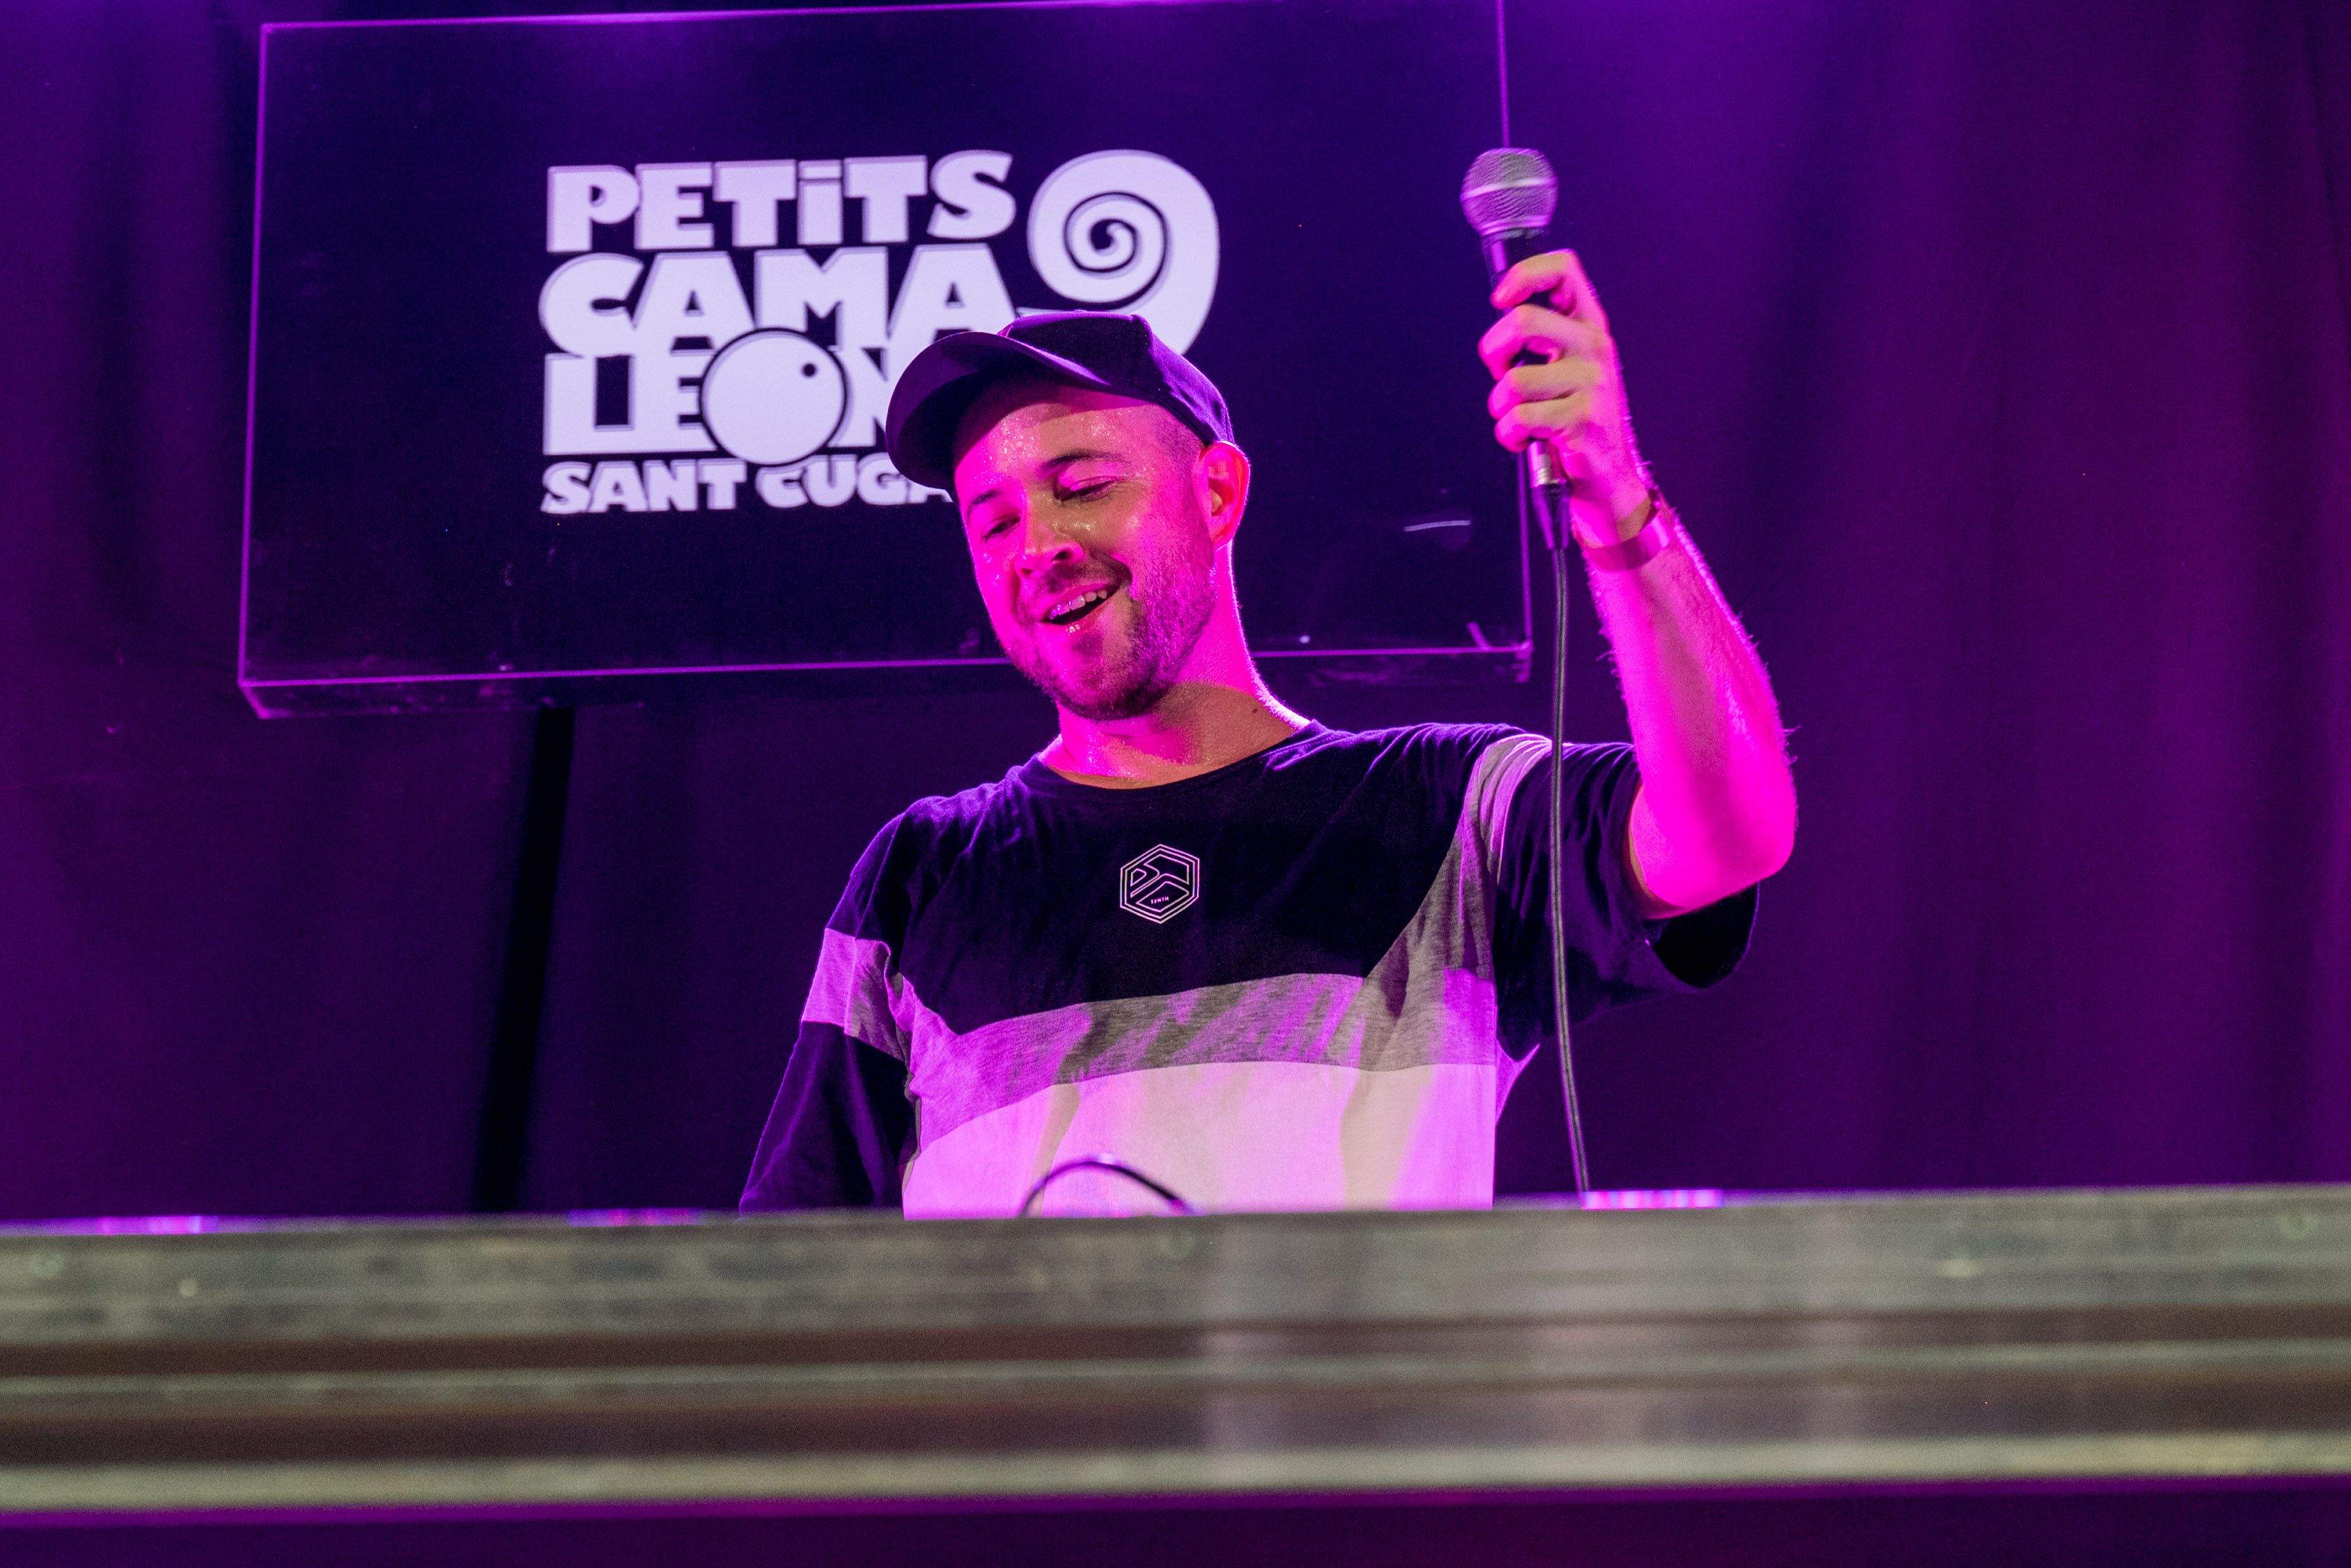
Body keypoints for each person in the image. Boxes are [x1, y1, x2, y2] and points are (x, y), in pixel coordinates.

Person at [739, 250, 1797, 1216]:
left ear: (1216, 491)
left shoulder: (1448, 808)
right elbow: (791, 1273)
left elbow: (1729, 837)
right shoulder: (922, 874)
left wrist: (1617, 503)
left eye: (1083, 486)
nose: (1038, 546)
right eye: (994, 521)